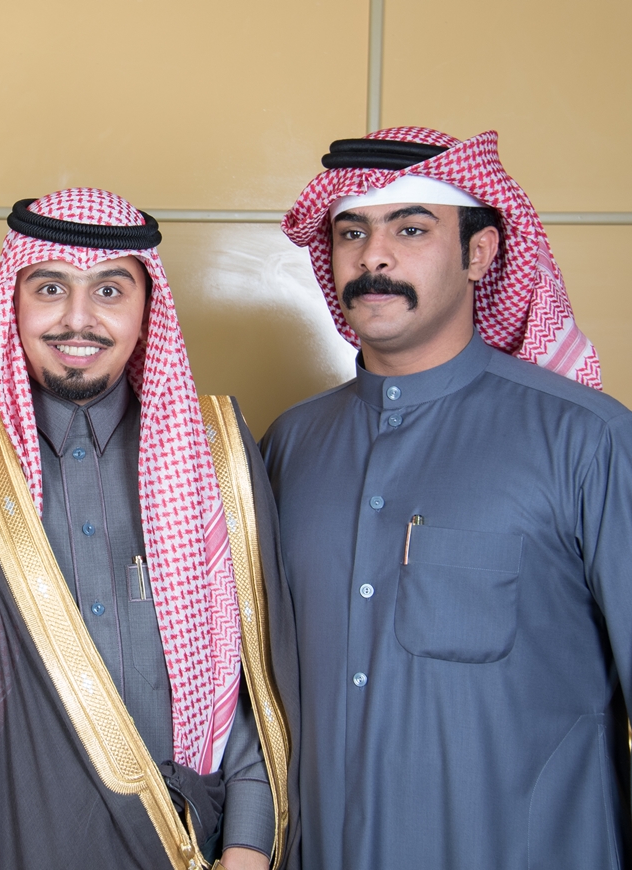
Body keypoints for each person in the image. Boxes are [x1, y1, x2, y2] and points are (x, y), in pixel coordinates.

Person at [0, 188, 300, 870]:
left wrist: (247, 848)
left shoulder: (212, 450)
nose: (78, 319)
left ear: (147, 308)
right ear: (12, 302)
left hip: (180, 846)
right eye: (50, 288)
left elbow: (252, 680)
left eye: (108, 290)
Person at [262, 127, 630, 869]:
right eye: (352, 232)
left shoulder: (585, 438)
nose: (373, 257)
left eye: (411, 229)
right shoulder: (289, 445)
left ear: (480, 254)